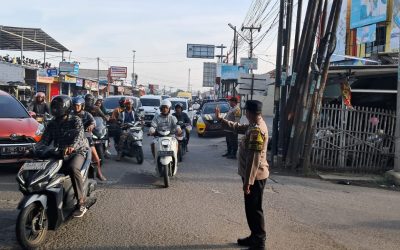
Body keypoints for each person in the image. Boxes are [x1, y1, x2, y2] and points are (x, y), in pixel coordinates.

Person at [215, 100, 269, 250]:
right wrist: (221, 120)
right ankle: (254, 236)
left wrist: (248, 182)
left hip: (255, 176)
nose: (245, 114)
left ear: (249, 113)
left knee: (255, 209)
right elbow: (238, 127)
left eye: (246, 112)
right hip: (253, 176)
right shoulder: (253, 125)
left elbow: (254, 159)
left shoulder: (257, 130)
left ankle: (259, 242)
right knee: (250, 208)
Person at [36, 95, 90, 218]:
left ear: (65, 108)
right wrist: (33, 148)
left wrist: (72, 146)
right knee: (43, 168)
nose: (55, 109)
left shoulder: (75, 120)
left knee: (72, 169)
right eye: (54, 106)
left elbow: (79, 136)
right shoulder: (51, 124)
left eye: (58, 107)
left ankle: (81, 203)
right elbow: (44, 141)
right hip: (59, 152)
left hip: (76, 152)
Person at [72, 97, 107, 181]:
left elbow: (93, 122)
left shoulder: (87, 114)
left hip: (86, 136)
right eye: (74, 106)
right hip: (72, 138)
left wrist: (92, 125)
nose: (76, 107)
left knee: (96, 158)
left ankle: (99, 173)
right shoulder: (70, 115)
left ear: (82, 106)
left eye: (78, 106)